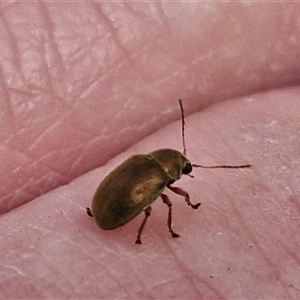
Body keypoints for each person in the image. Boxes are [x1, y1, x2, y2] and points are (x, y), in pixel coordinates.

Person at [1, 2, 299, 298]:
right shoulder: (160, 181)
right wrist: (155, 228)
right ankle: (143, 232)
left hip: (105, 201)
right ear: (173, 171)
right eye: (185, 168)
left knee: (161, 203)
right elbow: (159, 201)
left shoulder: (143, 160)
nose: (186, 169)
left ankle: (121, 220)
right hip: (113, 209)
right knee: (165, 205)